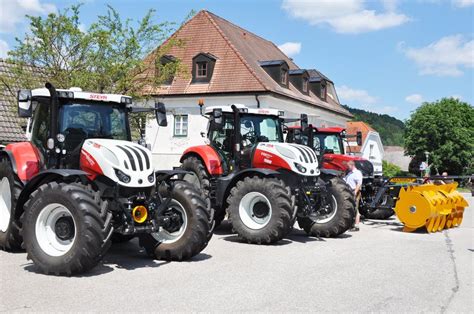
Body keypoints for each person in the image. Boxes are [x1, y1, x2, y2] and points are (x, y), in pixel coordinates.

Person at [344, 160, 363, 231]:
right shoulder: (349, 173)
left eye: (348, 166)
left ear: (352, 165)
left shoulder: (357, 173)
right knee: (351, 208)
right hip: (349, 191)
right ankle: (352, 224)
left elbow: (359, 183)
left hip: (354, 191)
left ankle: (357, 226)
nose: (347, 167)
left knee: (355, 208)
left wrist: (355, 192)